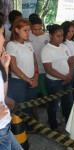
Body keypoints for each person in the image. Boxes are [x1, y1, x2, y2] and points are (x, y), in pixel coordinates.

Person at [6, 18, 38, 132]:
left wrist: (36, 77)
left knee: (28, 106)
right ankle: (18, 131)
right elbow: (13, 67)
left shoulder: (29, 44)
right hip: (18, 82)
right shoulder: (11, 45)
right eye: (25, 30)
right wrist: (29, 81)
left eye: (28, 30)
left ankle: (28, 127)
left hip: (31, 80)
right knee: (19, 107)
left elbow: (34, 62)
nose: (28, 33)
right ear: (16, 30)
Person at [41, 24, 74, 130]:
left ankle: (69, 125)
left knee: (68, 103)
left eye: (62, 35)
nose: (61, 38)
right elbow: (48, 69)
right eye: (58, 36)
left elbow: (71, 61)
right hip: (54, 82)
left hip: (67, 80)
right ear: (50, 35)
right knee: (54, 105)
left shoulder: (64, 46)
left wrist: (70, 75)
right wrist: (64, 77)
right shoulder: (46, 49)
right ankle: (53, 127)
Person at [0, 19, 23, 150]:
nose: (4, 39)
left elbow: (2, 95)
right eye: (2, 34)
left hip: (5, 127)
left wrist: (5, 68)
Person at [29, 17, 50, 97]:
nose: (37, 32)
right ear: (30, 27)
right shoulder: (28, 35)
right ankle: (34, 109)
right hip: (33, 69)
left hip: (45, 69)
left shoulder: (48, 36)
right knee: (34, 93)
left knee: (45, 92)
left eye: (39, 29)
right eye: (34, 29)